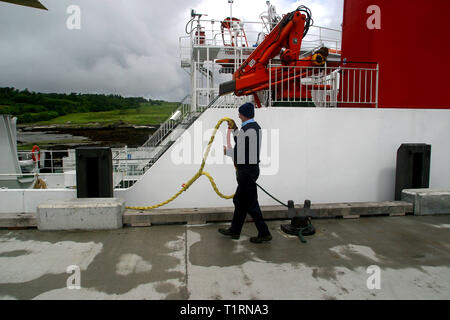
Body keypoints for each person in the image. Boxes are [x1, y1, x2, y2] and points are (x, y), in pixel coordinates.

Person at [219, 102, 272, 243]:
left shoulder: (248, 129)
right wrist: (235, 129)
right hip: (250, 170)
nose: (238, 115)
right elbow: (242, 142)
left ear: (243, 114)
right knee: (240, 201)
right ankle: (235, 231)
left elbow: (240, 151)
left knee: (251, 204)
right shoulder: (253, 127)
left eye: (239, 113)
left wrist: (227, 152)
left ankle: (264, 232)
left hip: (246, 172)